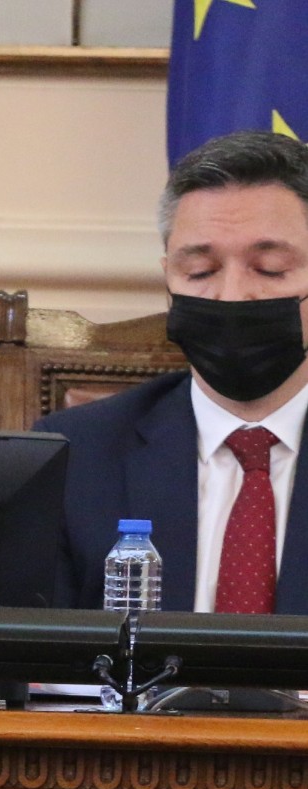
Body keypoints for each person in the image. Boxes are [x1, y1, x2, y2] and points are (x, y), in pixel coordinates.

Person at [47, 130, 308, 613]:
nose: (232, 295)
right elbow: (27, 650)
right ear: (168, 279)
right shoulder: (73, 457)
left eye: (270, 269)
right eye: (200, 272)